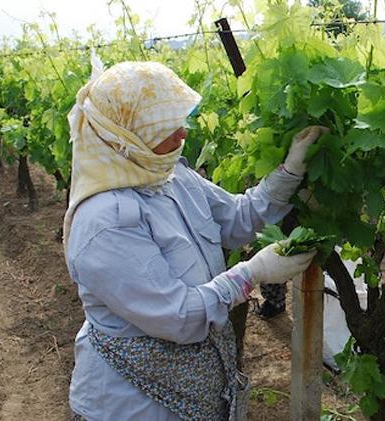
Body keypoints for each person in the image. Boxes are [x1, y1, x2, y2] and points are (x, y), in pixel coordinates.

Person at [63, 56, 327, 420]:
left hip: (195, 394)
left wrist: (290, 171)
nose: (183, 132)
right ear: (125, 133)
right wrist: (252, 273)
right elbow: (179, 318)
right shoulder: (104, 222)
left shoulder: (170, 176)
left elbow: (238, 217)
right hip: (132, 406)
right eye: (165, 126)